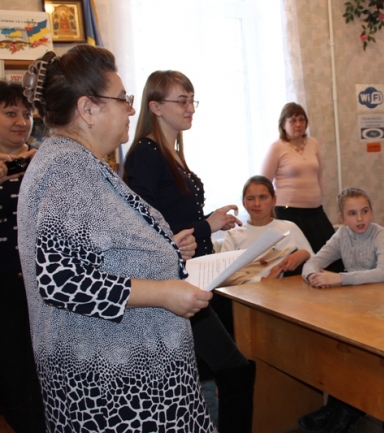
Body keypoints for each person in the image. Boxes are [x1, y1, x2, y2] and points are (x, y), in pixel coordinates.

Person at [18, 46, 213, 432]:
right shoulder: (67, 169)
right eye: (123, 99)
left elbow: (103, 249)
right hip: (114, 386)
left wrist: (166, 249)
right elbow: (61, 279)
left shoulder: (79, 163)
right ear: (88, 109)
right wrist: (163, 293)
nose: (131, 110)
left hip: (129, 378)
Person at [122, 70, 255, 433]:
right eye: (182, 101)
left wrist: (210, 223)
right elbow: (144, 225)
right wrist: (206, 225)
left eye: (193, 100)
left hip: (195, 275)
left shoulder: (172, 152)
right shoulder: (146, 154)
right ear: (155, 107)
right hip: (176, 281)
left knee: (209, 373)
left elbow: (174, 215)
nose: (190, 107)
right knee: (235, 370)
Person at [299, 187, 384, 433]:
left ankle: (345, 411)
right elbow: (313, 262)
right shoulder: (341, 234)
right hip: (358, 308)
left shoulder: (380, 234)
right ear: (341, 218)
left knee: (359, 357)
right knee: (340, 352)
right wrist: (312, 277)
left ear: (372, 212)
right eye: (352, 214)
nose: (360, 219)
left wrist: (339, 278)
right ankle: (337, 407)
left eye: (365, 211)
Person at [0, 81, 45, 433]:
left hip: (41, 285)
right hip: (3, 290)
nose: (21, 121)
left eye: (27, 114)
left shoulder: (44, 161)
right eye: (10, 113)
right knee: (11, 376)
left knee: (42, 373)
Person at [261, 102, 343, 271]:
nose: (298, 124)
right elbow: (264, 184)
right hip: (287, 213)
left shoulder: (313, 143)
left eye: (301, 119)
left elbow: (319, 175)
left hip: (315, 212)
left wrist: (318, 199)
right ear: (283, 125)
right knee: (296, 263)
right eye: (292, 120)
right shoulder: (277, 147)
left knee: (332, 257)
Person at [221, 175, 313, 284]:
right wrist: (264, 280)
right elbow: (223, 275)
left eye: (263, 197)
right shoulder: (233, 235)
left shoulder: (289, 228)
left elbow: (315, 263)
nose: (257, 204)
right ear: (243, 202)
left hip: (284, 291)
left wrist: (304, 254)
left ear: (273, 200)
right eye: (250, 199)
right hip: (244, 293)